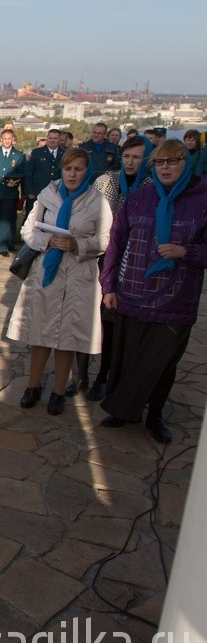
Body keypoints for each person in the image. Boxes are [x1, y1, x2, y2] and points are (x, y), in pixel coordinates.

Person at [99, 139, 207, 444]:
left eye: (173, 161)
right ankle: (122, 410)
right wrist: (108, 285)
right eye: (160, 162)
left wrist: (186, 252)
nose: (166, 167)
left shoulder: (202, 198)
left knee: (161, 362)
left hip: (175, 300)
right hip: (132, 295)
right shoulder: (139, 199)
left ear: (187, 163)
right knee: (127, 358)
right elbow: (116, 243)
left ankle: (155, 414)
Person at [8, 149, 111, 416]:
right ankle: (32, 386)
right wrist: (49, 241)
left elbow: (106, 239)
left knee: (67, 337)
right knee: (40, 332)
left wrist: (78, 244)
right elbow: (28, 230)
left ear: (87, 171)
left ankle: (58, 391)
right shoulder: (46, 196)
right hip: (47, 272)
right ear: (62, 170)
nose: (72, 174)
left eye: (78, 169)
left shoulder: (97, 200)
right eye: (68, 169)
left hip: (78, 276)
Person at [87, 135, 154, 401]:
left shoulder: (151, 186)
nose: (130, 161)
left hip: (137, 264)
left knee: (129, 327)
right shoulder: (105, 181)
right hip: (105, 261)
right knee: (106, 322)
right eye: (126, 156)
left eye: (136, 157)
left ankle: (121, 378)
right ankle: (100, 375)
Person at [23, 129, 63, 220]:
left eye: (55, 138)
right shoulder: (37, 152)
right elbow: (28, 172)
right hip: (38, 192)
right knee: (33, 218)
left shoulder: (64, 153)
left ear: (59, 139)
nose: (52, 140)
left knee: (51, 219)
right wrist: (29, 191)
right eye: (50, 138)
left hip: (56, 193)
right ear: (47, 138)